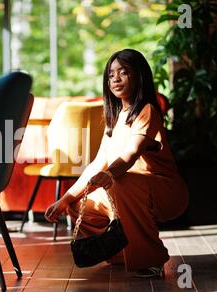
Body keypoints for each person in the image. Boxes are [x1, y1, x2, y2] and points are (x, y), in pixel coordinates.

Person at [44, 48, 189, 278]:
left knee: (120, 182)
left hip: (166, 192)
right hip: (128, 188)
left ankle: (150, 259)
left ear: (139, 76)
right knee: (77, 203)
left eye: (124, 72)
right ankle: (124, 253)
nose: (116, 79)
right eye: (111, 74)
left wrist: (110, 175)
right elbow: (97, 163)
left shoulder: (147, 111)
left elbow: (131, 154)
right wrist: (65, 198)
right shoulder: (116, 118)